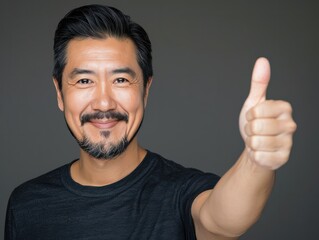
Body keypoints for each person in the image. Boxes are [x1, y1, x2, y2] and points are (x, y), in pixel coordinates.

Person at [5, 4, 297, 240]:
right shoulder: (26, 204)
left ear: (145, 89)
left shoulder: (182, 193)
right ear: (59, 93)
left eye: (120, 79)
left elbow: (223, 221)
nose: (104, 103)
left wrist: (257, 159)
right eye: (84, 80)